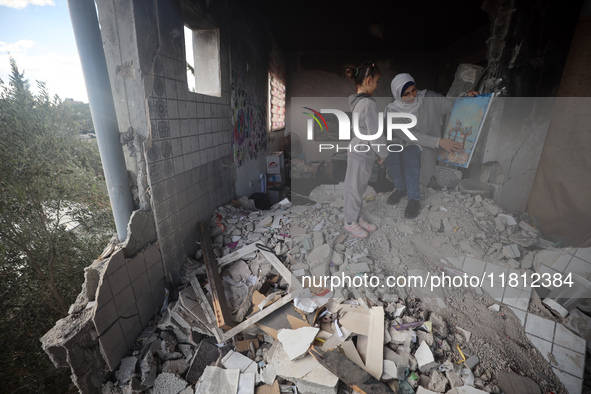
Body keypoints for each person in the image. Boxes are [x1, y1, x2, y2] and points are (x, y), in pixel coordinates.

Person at [384, 73, 476, 219]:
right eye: (406, 94)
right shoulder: (392, 111)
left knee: (410, 158)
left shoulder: (427, 98)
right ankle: (400, 188)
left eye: (413, 90)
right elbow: (409, 135)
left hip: (424, 144)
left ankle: (414, 199)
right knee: (390, 155)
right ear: (397, 95)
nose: (412, 96)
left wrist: (466, 97)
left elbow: (451, 104)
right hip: (405, 140)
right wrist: (439, 142)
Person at [342, 62, 388, 239]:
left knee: (358, 188)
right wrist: (383, 153)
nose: (377, 85)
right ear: (368, 81)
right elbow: (375, 134)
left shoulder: (358, 102)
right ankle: (350, 223)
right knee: (354, 189)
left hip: (361, 151)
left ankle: (356, 218)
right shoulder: (368, 104)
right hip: (361, 152)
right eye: (376, 81)